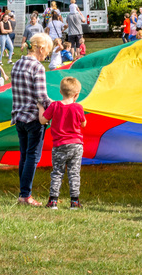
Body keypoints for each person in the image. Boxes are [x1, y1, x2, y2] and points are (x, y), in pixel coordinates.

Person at [12, 32, 53, 206]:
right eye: (47, 52)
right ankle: (25, 195)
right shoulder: (37, 67)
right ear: (41, 48)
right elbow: (42, 95)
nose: (46, 56)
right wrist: (56, 106)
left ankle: (23, 192)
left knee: (24, 155)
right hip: (34, 119)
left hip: (19, 117)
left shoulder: (17, 63)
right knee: (32, 157)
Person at [38, 76, 86, 210]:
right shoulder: (78, 107)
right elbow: (83, 123)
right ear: (76, 94)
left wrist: (40, 106)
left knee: (57, 173)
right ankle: (74, 202)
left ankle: (53, 201)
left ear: (60, 92)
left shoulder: (54, 106)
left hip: (59, 146)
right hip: (76, 145)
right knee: (74, 173)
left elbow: (43, 120)